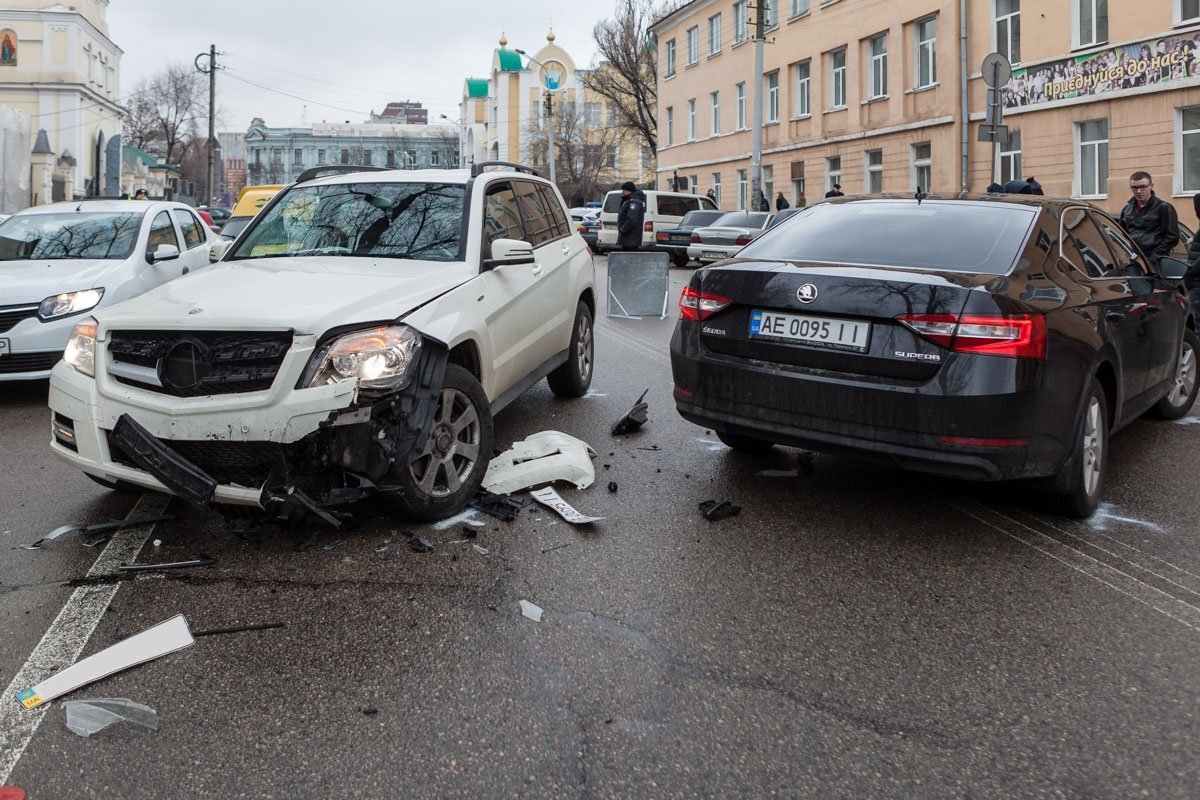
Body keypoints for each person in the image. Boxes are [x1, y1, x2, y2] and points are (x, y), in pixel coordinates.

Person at [1119, 171, 1179, 265]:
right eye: (1134, 187)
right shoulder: (1127, 209)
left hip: (1155, 261)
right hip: (1133, 260)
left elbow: (1172, 236)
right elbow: (1122, 233)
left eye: (1143, 187)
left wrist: (1154, 258)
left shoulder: (1163, 207)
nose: (1138, 191)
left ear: (1151, 186)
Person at [616, 181, 645, 251]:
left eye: (624, 190)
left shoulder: (634, 202)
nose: (622, 192)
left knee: (629, 256)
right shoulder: (629, 200)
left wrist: (622, 230)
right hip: (629, 239)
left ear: (629, 190)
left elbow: (631, 220)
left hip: (631, 239)